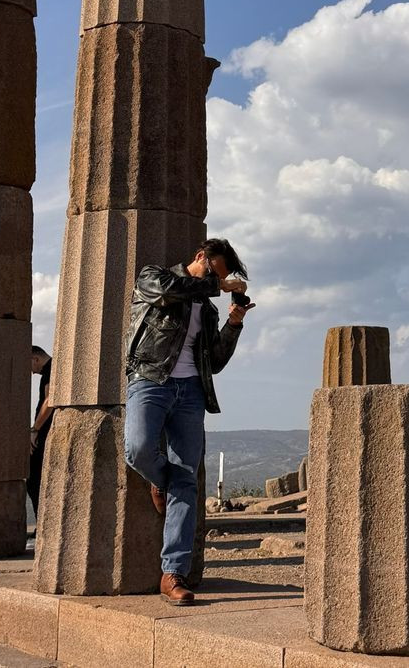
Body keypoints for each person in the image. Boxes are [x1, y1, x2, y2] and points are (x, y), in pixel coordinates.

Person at [123, 238, 254, 606]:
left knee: (187, 478)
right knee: (137, 449)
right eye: (215, 271)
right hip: (150, 379)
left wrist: (233, 322)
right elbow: (168, 291)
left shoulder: (209, 310)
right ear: (200, 257)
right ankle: (159, 479)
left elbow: (214, 359)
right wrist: (217, 285)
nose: (218, 282)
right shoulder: (155, 277)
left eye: (223, 278)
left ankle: (173, 573)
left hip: (191, 391)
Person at [27, 346, 55, 525]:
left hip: (44, 433)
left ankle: (43, 524)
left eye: (29, 364)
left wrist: (34, 430)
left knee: (34, 479)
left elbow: (49, 400)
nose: (30, 371)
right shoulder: (51, 369)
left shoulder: (50, 369)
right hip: (44, 432)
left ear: (35, 358)